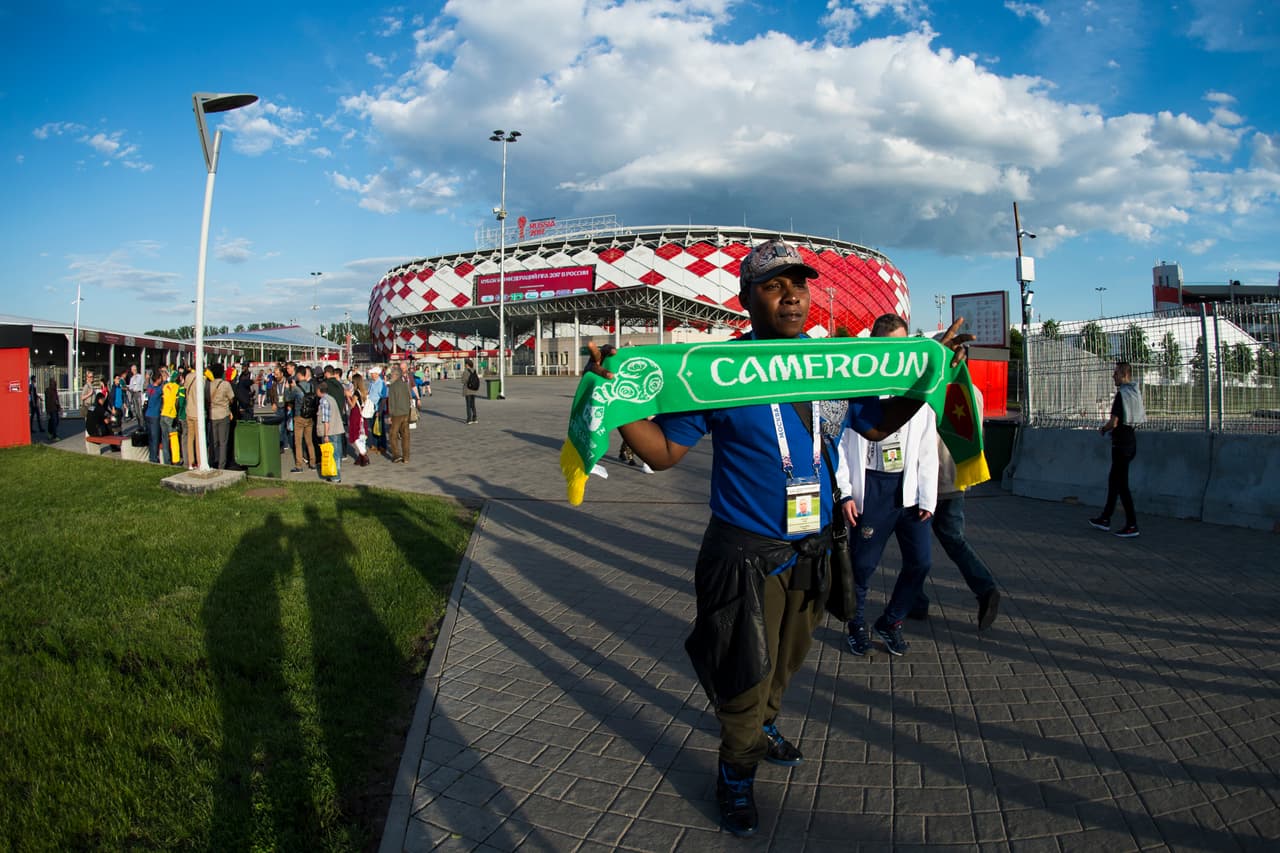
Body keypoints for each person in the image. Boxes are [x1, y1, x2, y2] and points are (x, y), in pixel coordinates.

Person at [598, 239, 972, 837]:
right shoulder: (715, 374)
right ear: (746, 298)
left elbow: (874, 424)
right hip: (745, 553)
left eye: (798, 284)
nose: (791, 295)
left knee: (787, 662)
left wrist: (928, 377)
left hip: (815, 549)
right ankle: (736, 773)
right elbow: (665, 453)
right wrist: (611, 403)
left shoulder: (832, 367)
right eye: (774, 286)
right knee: (746, 670)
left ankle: (763, 726)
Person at [837, 314, 938, 658]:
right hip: (872, 488)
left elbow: (927, 447)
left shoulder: (916, 392)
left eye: (905, 345)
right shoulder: (859, 389)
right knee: (862, 568)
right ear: (879, 346)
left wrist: (928, 495)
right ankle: (856, 625)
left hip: (908, 491)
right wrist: (845, 491)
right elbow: (838, 444)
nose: (901, 354)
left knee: (921, 562)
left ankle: (891, 621)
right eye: (894, 346)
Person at [1090, 361, 1145, 538]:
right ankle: (1105, 518)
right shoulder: (1135, 393)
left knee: (1122, 486)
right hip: (1131, 441)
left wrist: (1104, 429)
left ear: (1123, 374)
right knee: (1114, 482)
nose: (1113, 376)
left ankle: (1132, 524)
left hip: (1120, 445)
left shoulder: (1121, 395)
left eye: (1115, 373)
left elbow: (1114, 422)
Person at [207, 363, 236, 470]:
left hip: (212, 414)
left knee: (213, 441)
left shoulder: (208, 385)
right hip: (223, 414)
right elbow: (232, 398)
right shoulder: (225, 384)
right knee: (223, 442)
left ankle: (212, 461)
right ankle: (221, 465)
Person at [316, 380, 345, 483]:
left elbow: (325, 419)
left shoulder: (324, 401)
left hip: (330, 432)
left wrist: (326, 434)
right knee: (336, 454)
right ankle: (333, 474)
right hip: (336, 429)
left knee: (332, 455)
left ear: (319, 390)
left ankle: (335, 476)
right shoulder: (331, 398)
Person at [387, 366, 412, 463]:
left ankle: (396, 454)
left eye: (392, 374)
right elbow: (409, 397)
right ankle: (406, 457)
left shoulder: (392, 386)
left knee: (393, 434)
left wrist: (390, 415)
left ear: (396, 375)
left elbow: (391, 402)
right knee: (405, 435)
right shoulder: (405, 384)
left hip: (396, 414)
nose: (391, 376)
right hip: (406, 412)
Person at [144, 369, 165, 463]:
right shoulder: (159, 390)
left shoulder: (150, 387)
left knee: (150, 437)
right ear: (159, 379)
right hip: (154, 415)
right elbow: (165, 387)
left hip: (148, 414)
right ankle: (154, 457)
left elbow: (147, 386)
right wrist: (165, 379)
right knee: (155, 437)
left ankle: (151, 455)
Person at [462, 359, 480, 424]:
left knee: (468, 405)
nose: (465, 365)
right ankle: (475, 418)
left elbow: (463, 381)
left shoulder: (465, 372)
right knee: (473, 405)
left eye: (465, 364)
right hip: (474, 390)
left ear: (467, 365)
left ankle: (469, 419)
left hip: (467, 390)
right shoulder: (474, 371)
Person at [45, 377, 61, 441]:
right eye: (54, 383)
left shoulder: (55, 390)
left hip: (55, 408)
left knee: (56, 421)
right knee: (53, 422)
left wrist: (59, 407)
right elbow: (47, 402)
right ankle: (54, 436)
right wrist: (48, 412)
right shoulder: (48, 391)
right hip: (51, 409)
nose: (55, 384)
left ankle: (50, 432)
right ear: (51, 383)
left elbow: (57, 399)